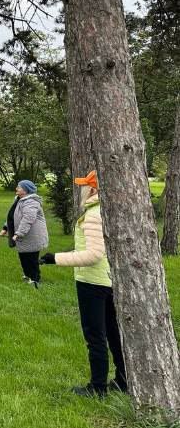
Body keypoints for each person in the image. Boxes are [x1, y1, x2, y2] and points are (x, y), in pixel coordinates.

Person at [41, 171, 126, 398]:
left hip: (92, 282)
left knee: (95, 334)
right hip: (107, 280)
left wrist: (55, 258)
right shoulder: (105, 209)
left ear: (93, 189)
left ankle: (97, 387)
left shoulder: (94, 214)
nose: (81, 190)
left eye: (84, 186)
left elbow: (94, 255)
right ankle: (123, 380)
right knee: (112, 331)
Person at [0, 179, 49, 288]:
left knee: (32, 259)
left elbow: (28, 219)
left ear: (26, 190)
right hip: (24, 236)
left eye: (19, 187)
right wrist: (5, 228)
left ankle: (35, 279)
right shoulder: (19, 200)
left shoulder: (32, 202)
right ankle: (28, 275)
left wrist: (19, 233)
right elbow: (12, 216)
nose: (16, 188)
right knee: (23, 256)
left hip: (33, 236)